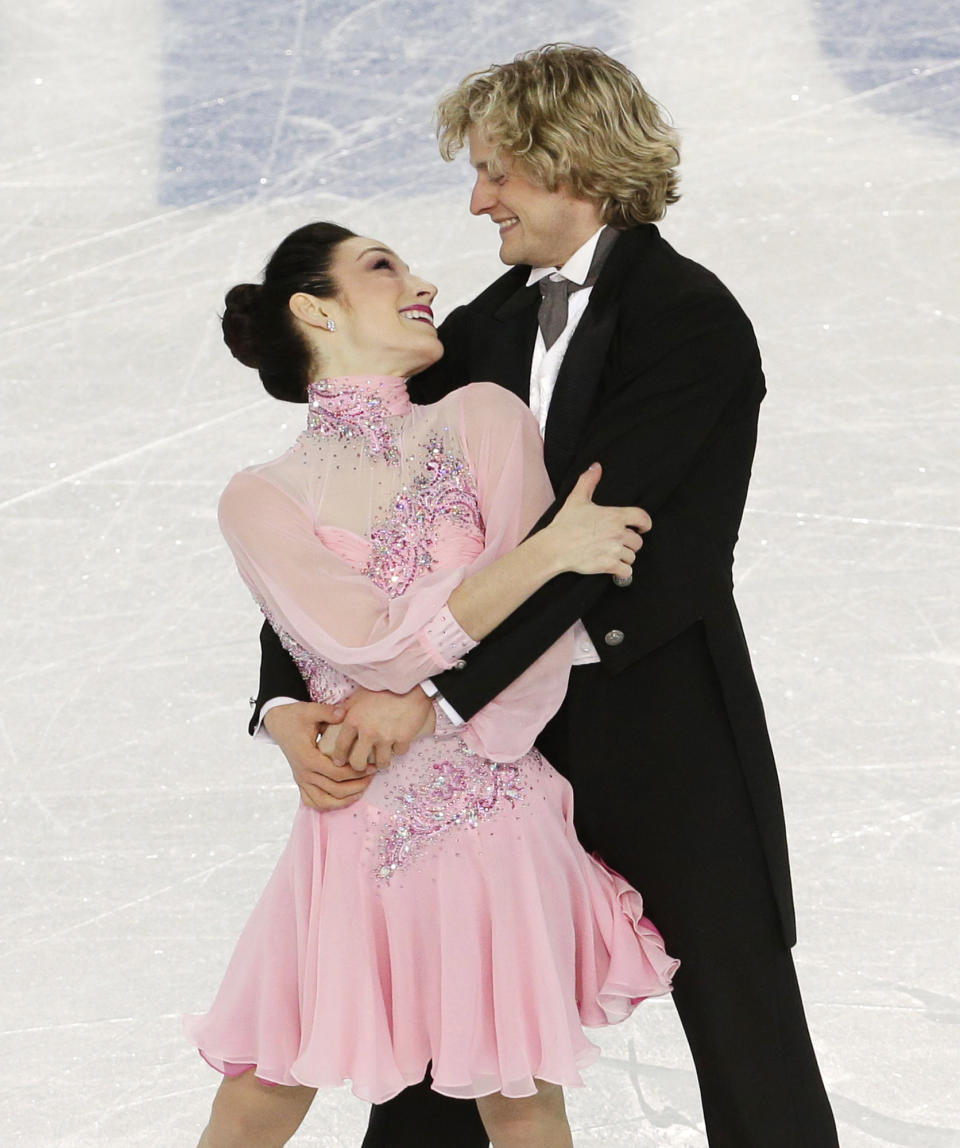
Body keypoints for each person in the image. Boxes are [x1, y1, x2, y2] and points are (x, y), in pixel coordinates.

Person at [253, 46, 840, 1148]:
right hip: (496, 761)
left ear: (570, 160)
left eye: (497, 173)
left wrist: (430, 695)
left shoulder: (689, 319)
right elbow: (350, 537)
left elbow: (591, 552)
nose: (477, 201)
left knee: (743, 1024)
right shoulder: (478, 331)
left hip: (661, 734)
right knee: (442, 1045)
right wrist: (287, 702)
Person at [185, 220, 679, 1148]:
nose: (420, 282)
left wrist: (533, 579)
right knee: (264, 1083)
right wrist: (541, 559)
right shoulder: (261, 496)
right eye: (382, 267)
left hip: (495, 806)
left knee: (521, 1095)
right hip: (356, 818)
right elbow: (365, 647)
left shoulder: (483, 416)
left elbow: (537, 642)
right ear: (314, 309)